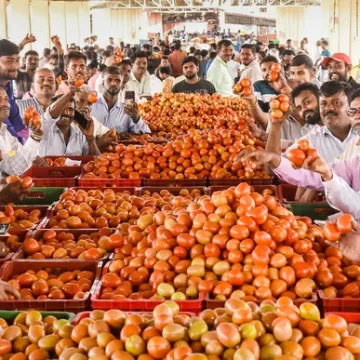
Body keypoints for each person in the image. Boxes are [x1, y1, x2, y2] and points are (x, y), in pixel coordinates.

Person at [91, 66, 150, 134]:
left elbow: (146, 134)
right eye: (109, 80)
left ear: (122, 84)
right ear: (103, 83)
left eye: (117, 80)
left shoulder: (127, 110)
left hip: (118, 145)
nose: (113, 83)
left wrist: (137, 119)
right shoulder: (91, 106)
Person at [0, 86, 42, 177]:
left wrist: (35, 135)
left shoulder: (4, 132)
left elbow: (19, 159)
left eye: (6, 99)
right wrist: (35, 137)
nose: (4, 103)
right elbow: (13, 169)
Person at [0, 39, 27, 143]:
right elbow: (6, 127)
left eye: (17, 60)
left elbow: (16, 121)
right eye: (9, 61)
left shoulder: (7, 81)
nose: (15, 66)